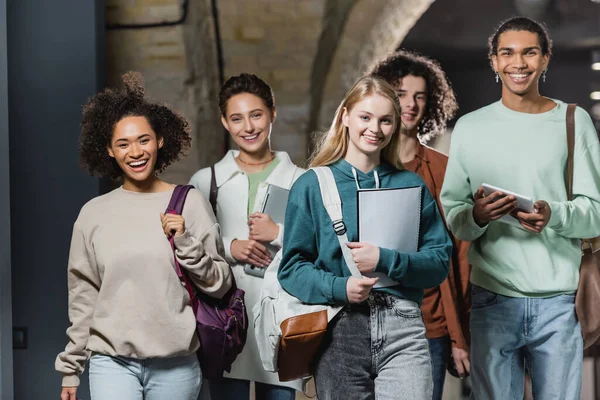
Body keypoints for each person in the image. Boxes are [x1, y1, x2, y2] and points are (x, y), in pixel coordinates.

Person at [440, 17, 600, 400]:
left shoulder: (572, 120)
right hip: (491, 299)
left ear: (545, 59)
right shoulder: (470, 127)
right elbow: (455, 218)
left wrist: (552, 215)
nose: (519, 63)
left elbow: (595, 210)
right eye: (507, 53)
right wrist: (478, 215)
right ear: (494, 62)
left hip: (559, 300)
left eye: (530, 52)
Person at [55, 72, 232, 400]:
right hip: (112, 363)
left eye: (143, 139)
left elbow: (221, 284)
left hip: (177, 365)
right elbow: (83, 299)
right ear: (109, 150)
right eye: (123, 143)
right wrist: (71, 369)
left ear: (160, 140)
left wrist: (186, 243)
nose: (135, 152)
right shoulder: (93, 214)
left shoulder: (189, 202)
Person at [278, 75, 452, 400]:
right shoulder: (312, 185)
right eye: (365, 117)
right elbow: (292, 268)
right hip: (339, 326)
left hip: (404, 325)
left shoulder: (411, 185)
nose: (375, 128)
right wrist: (338, 286)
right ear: (345, 116)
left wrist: (386, 259)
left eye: (386, 120)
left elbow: (439, 262)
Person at [189, 73, 304, 400]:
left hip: (281, 320)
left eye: (256, 115)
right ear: (225, 122)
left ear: (272, 113)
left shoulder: (302, 180)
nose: (249, 127)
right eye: (237, 118)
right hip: (224, 321)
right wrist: (229, 247)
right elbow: (185, 248)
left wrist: (278, 233)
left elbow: (321, 247)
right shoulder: (205, 181)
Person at [370, 50, 471, 399]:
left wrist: (460, 336)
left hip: (430, 326)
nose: (410, 104)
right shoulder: (363, 167)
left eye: (419, 96)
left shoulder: (444, 169)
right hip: (368, 320)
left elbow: (460, 255)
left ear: (431, 104)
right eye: (400, 95)